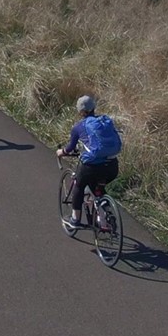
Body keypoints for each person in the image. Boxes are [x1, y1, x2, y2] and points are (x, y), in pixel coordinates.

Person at [56, 95, 122, 233]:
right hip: (112, 167)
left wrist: (61, 152)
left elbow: (69, 148)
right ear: (93, 108)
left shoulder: (79, 127)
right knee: (97, 188)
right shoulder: (105, 121)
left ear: (81, 111)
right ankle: (105, 211)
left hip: (92, 167)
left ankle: (75, 219)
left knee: (79, 186)